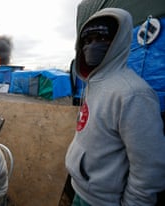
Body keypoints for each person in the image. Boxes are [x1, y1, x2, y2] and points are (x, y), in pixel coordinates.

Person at [65, 8, 165, 206]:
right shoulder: (92, 83)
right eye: (87, 40)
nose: (91, 46)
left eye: (100, 38)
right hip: (80, 190)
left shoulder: (133, 94)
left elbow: (149, 169)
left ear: (117, 40)